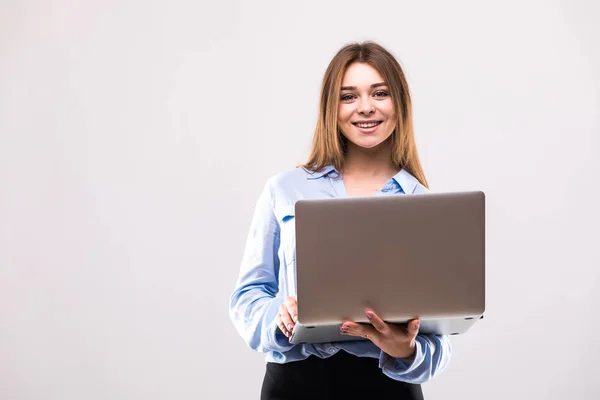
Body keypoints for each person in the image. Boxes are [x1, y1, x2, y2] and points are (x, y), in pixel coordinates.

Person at [229, 41, 451, 399]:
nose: (365, 108)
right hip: (295, 386)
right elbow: (246, 297)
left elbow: (440, 338)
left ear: (400, 103)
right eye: (348, 96)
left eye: (379, 93)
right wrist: (279, 314)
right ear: (331, 108)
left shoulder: (421, 205)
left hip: (388, 388)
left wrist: (406, 350)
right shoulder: (285, 189)